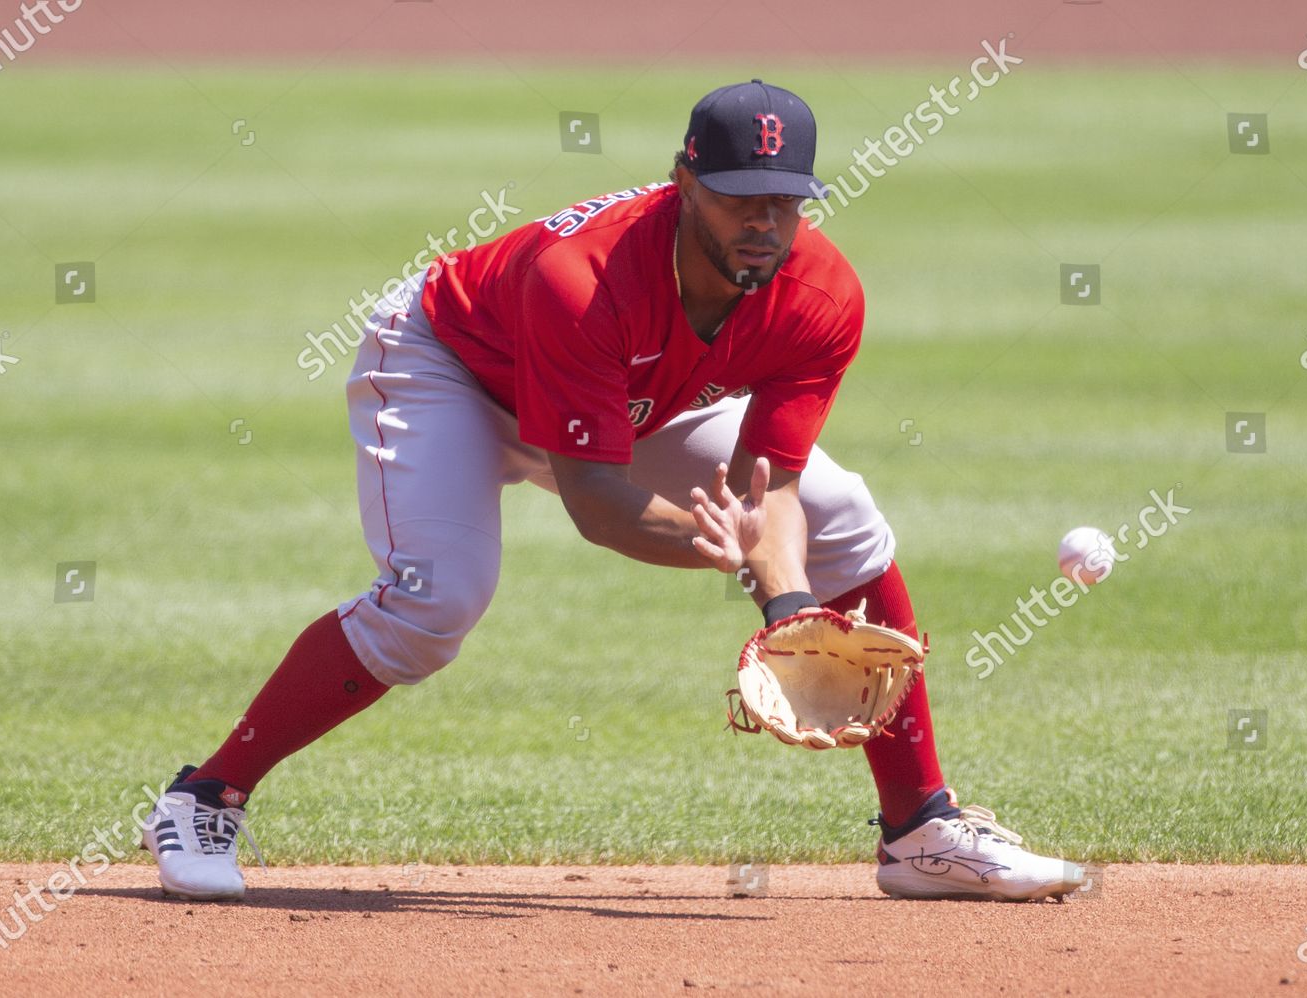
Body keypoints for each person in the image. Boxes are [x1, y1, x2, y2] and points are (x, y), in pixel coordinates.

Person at [142, 80, 1083, 903]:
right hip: (453, 370)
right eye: (738, 198)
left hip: (633, 400)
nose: (763, 222)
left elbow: (774, 487)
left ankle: (920, 830)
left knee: (846, 523)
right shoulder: (581, 278)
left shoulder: (821, 295)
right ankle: (204, 796)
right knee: (436, 602)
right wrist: (724, 550)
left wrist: (789, 602)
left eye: (785, 202)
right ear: (682, 182)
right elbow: (593, 500)